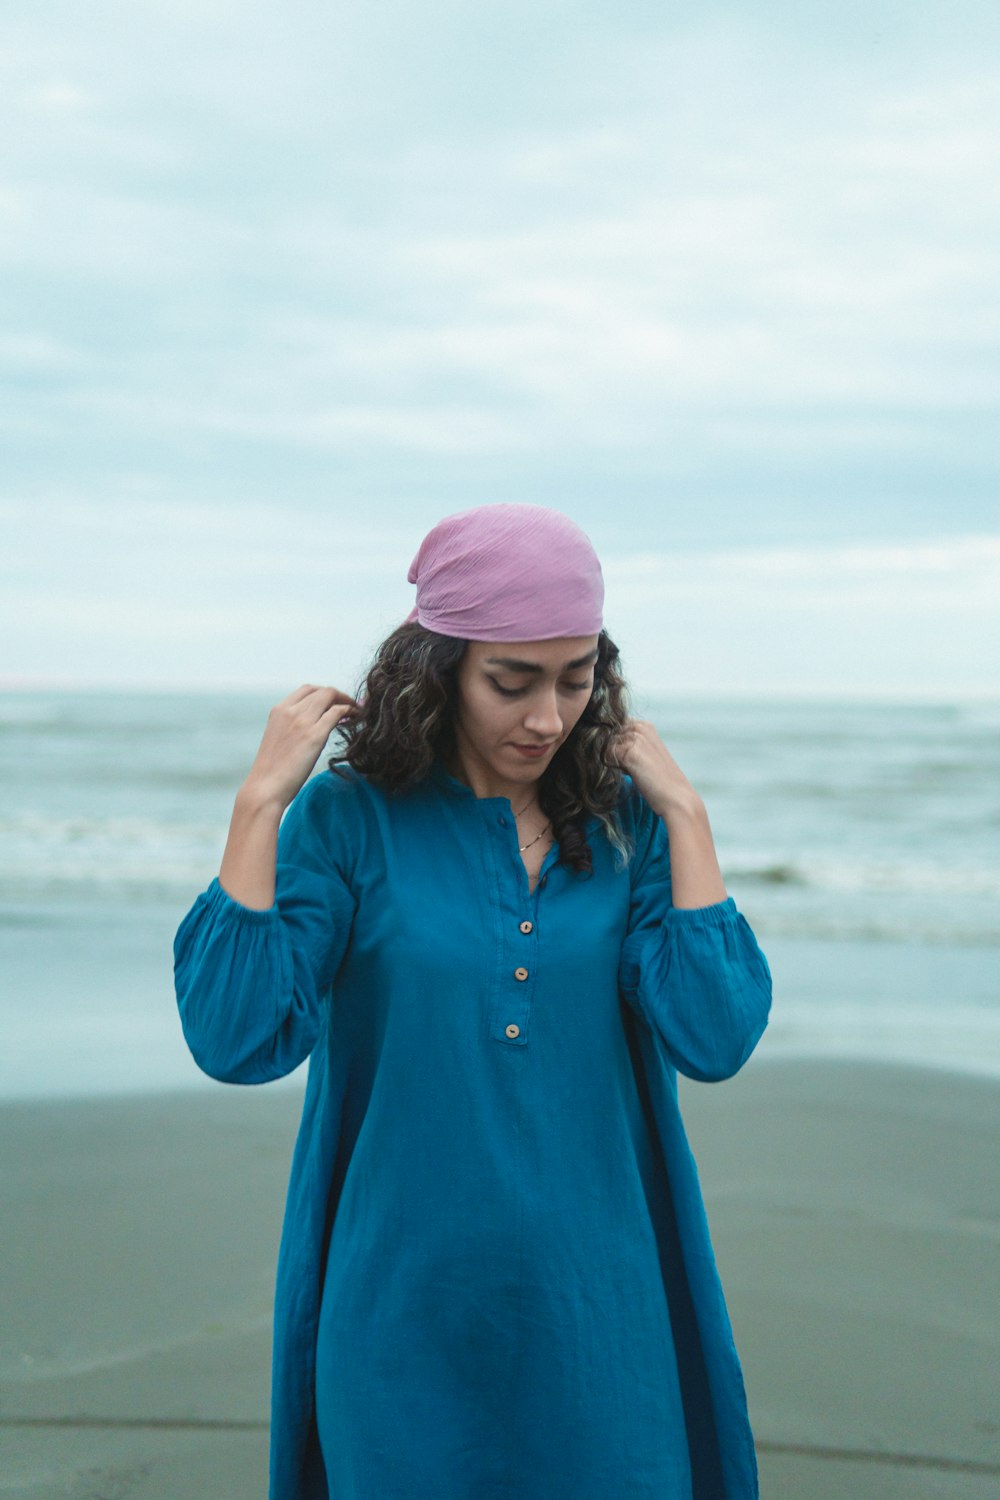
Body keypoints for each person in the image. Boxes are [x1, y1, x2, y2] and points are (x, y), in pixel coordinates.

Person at [173, 502, 773, 1500]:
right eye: (512, 681)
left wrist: (687, 814)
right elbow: (237, 1039)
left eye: (575, 680)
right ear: (440, 668)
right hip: (400, 1304)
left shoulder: (627, 827)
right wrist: (259, 805)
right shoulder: (351, 820)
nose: (547, 717)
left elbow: (712, 1037)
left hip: (601, 1312)